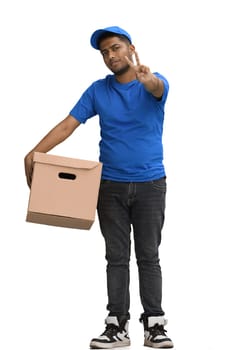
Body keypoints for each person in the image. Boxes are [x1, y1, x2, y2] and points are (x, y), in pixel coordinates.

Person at [24, 26, 174, 349]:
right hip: (109, 188)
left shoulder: (153, 82)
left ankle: (155, 324)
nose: (111, 56)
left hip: (150, 185)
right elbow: (68, 124)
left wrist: (148, 80)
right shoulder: (98, 91)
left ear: (132, 48)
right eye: (105, 52)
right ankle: (116, 325)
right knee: (116, 257)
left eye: (116, 48)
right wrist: (35, 153)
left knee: (149, 256)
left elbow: (159, 88)